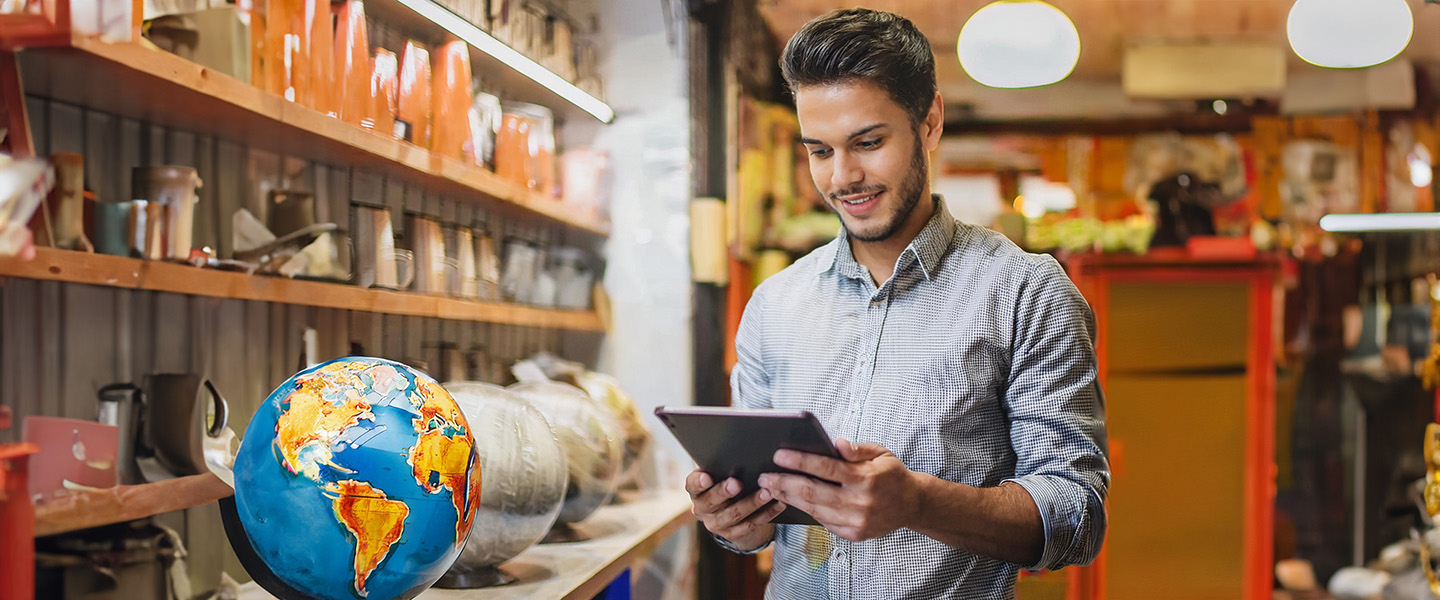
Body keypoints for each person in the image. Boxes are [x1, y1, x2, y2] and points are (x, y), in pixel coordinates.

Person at [684, 8, 1109, 599]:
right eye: (820, 151)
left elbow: (1077, 516)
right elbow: (753, 524)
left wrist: (917, 502)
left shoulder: (1027, 293)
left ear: (929, 121)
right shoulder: (774, 305)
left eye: (868, 142)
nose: (843, 177)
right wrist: (733, 521)